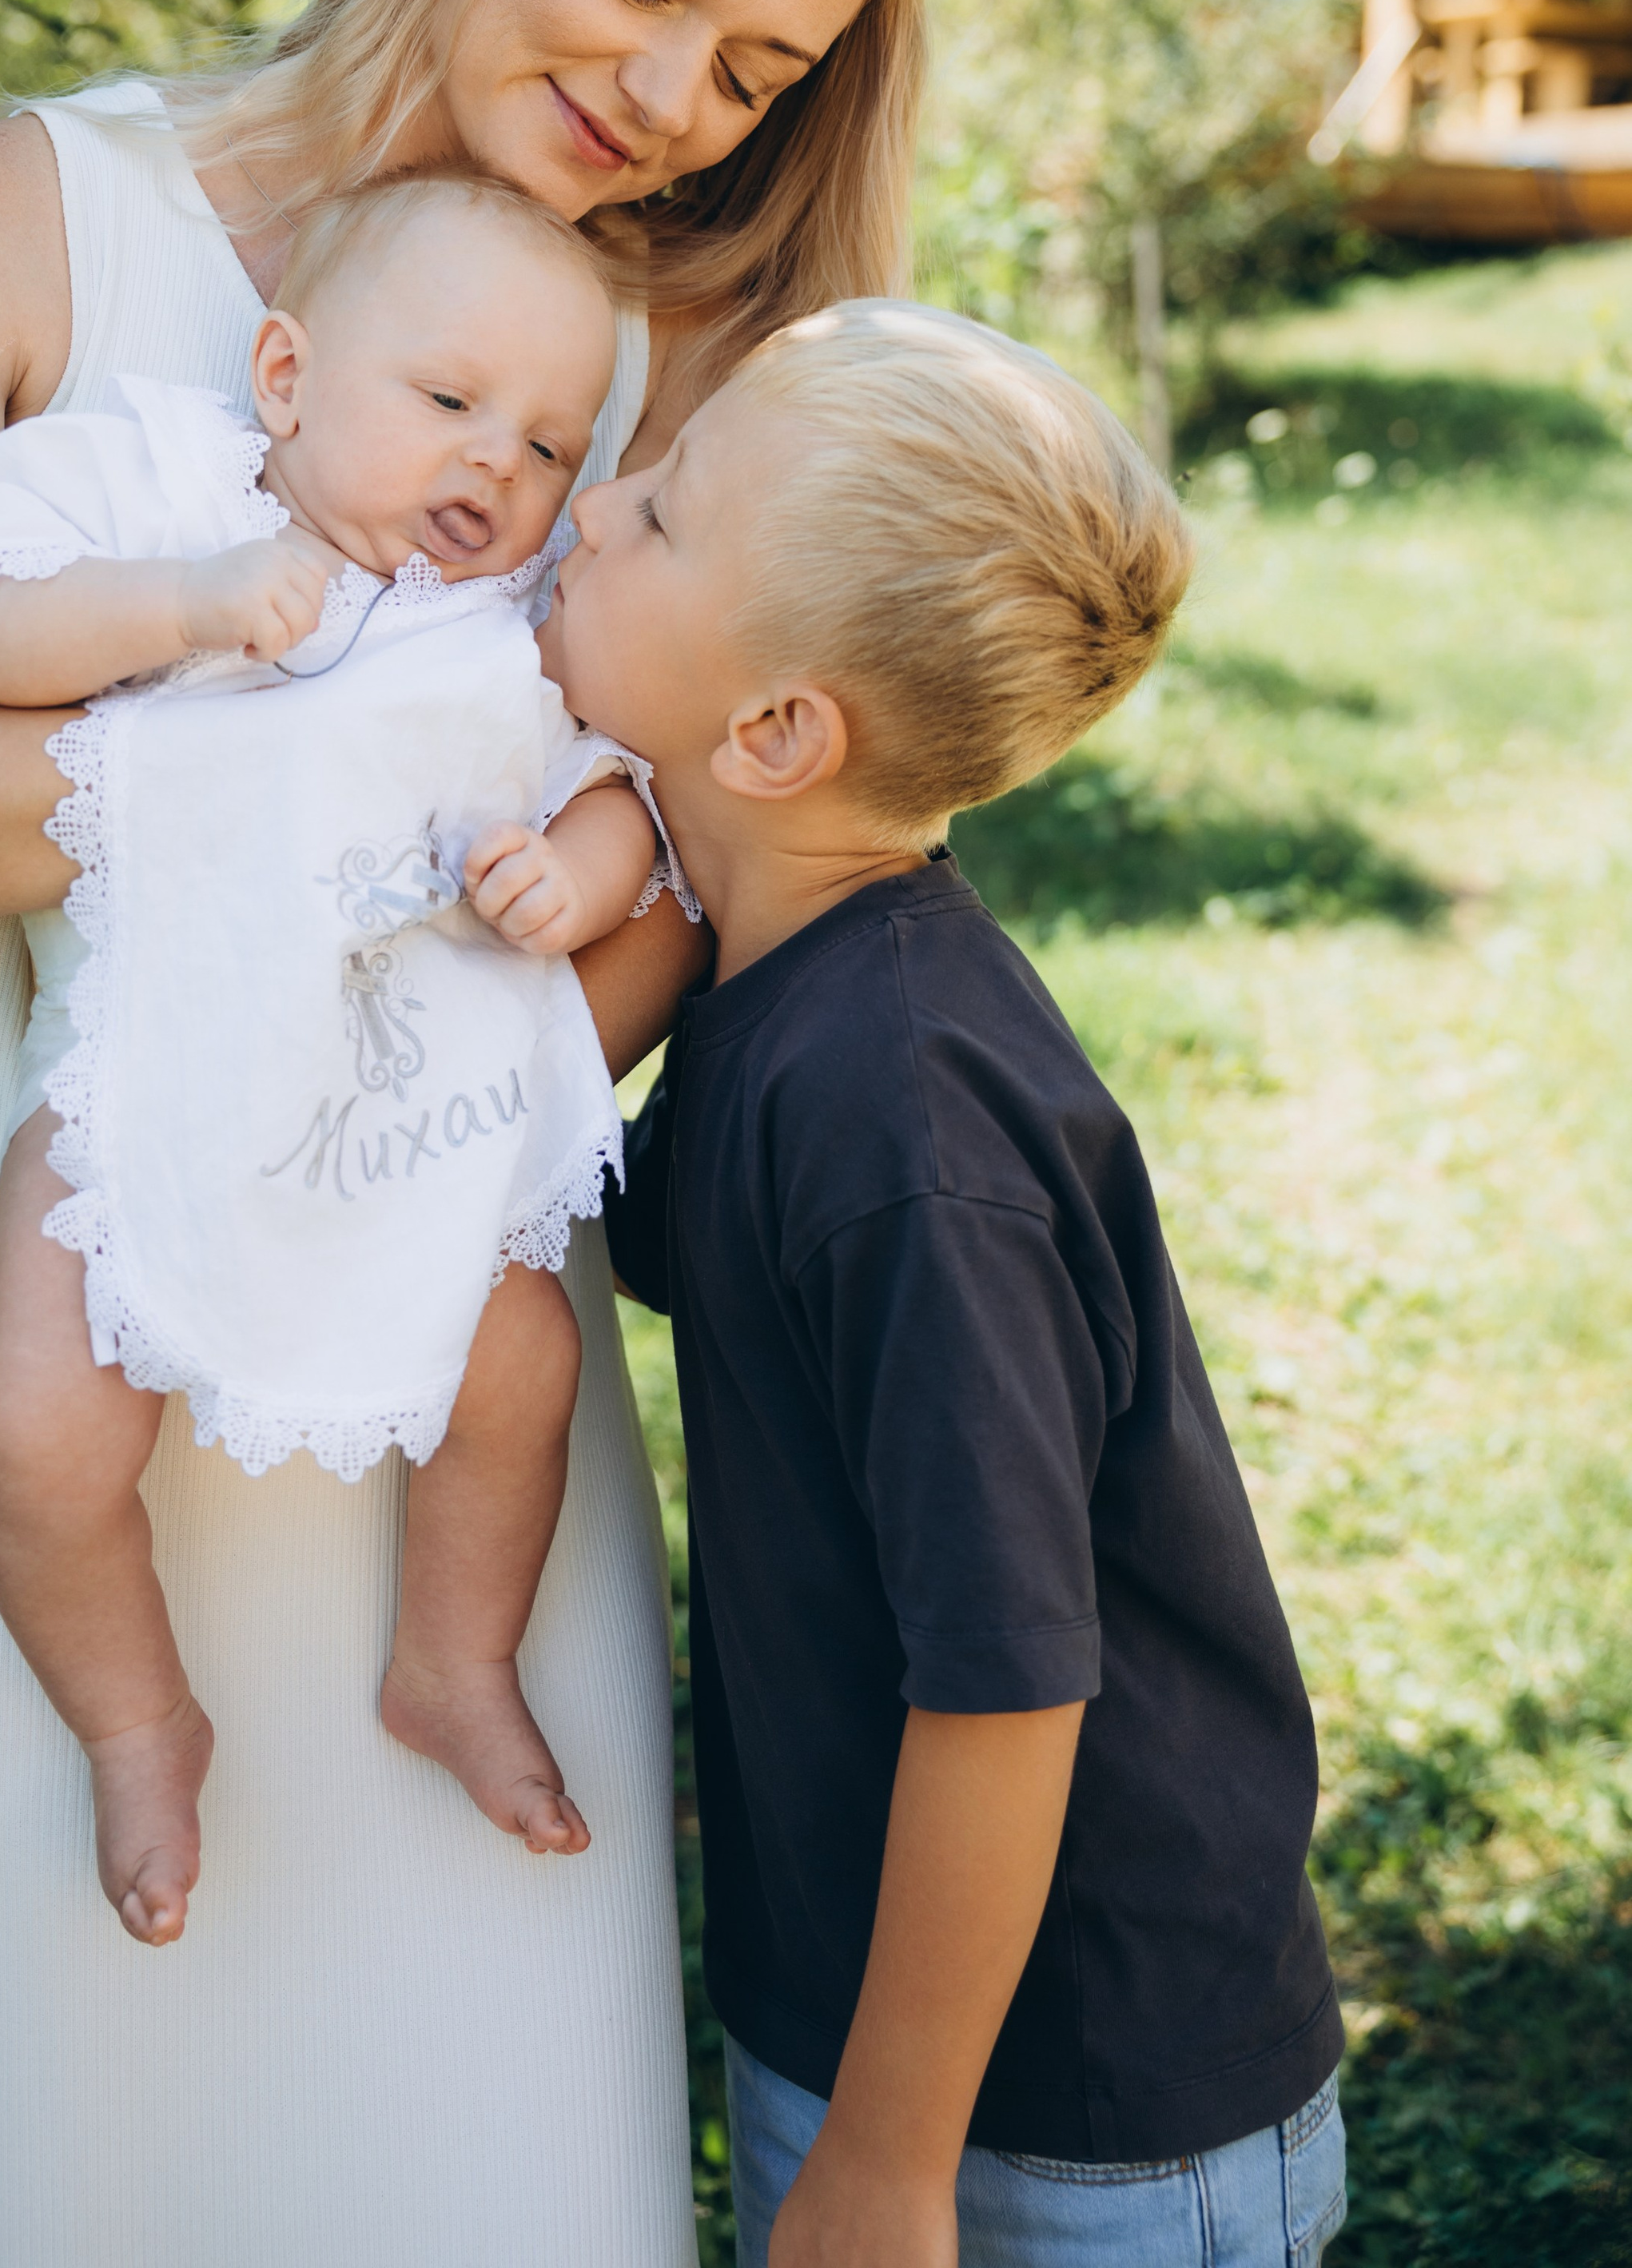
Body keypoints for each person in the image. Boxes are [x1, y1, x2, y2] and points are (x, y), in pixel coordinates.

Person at [0, 0, 923, 2268]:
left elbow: (678, 880)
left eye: (754, 67)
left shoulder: (662, 375)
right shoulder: (6, 222)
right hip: (12, 1445)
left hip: (452, 1489)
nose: (670, 99)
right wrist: (294, 787)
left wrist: (524, 931)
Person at [567, 300, 1348, 2268]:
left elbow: (1005, 1680)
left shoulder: (899, 1121)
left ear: (772, 731)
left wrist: (894, 2162)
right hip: (874, 2022)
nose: (592, 508)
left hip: (1052, 2109)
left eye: (657, 514)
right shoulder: (791, 975)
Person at [0, 173, 683, 1937]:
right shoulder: (165, 492)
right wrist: (184, 605)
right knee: (31, 1424)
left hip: (400, 1107)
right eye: (450, 401)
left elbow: (629, 784)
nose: (500, 464)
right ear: (283, 376)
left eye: (553, 444)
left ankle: (452, 1662)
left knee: (521, 1371)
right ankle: (132, 1718)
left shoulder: (524, 617)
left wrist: (577, 873)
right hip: (159, 1066)